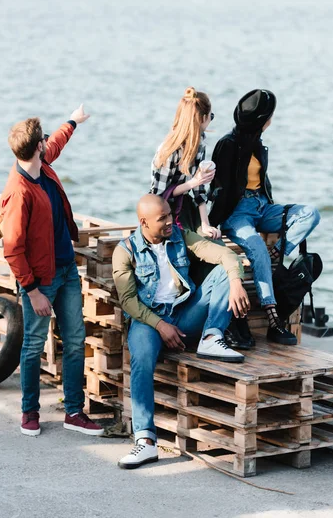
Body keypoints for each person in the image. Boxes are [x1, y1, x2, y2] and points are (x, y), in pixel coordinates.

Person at [112, 194, 250, 469]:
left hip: (184, 313)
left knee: (224, 272)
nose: (168, 222)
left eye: (169, 215)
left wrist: (236, 280)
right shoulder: (125, 250)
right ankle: (146, 441)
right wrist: (160, 325)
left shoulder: (179, 235)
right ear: (144, 223)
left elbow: (225, 254)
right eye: (161, 218)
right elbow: (128, 301)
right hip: (148, 320)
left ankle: (212, 336)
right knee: (140, 360)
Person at [0, 105, 104, 437]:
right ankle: (29, 411)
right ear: (35, 148)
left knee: (75, 340)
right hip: (40, 281)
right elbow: (12, 248)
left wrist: (73, 120)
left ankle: (74, 411)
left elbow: (56, 142)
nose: (48, 142)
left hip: (66, 269)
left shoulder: (40, 166)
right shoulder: (19, 192)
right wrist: (32, 291)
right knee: (32, 344)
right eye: (43, 140)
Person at [209, 89, 321, 346]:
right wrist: (212, 223)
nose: (272, 119)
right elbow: (218, 188)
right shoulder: (228, 144)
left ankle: (277, 252)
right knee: (257, 248)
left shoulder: (257, 142)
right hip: (237, 213)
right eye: (270, 115)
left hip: (261, 206)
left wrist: (280, 245)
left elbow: (262, 183)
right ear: (263, 120)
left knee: (309, 214)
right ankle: (273, 317)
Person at [150, 86, 220, 238]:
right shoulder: (169, 149)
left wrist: (205, 224)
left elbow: (198, 191)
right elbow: (159, 195)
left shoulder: (200, 143)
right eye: (211, 116)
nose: (210, 121)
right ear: (202, 119)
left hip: (185, 207)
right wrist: (193, 182)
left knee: (213, 238)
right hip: (163, 214)